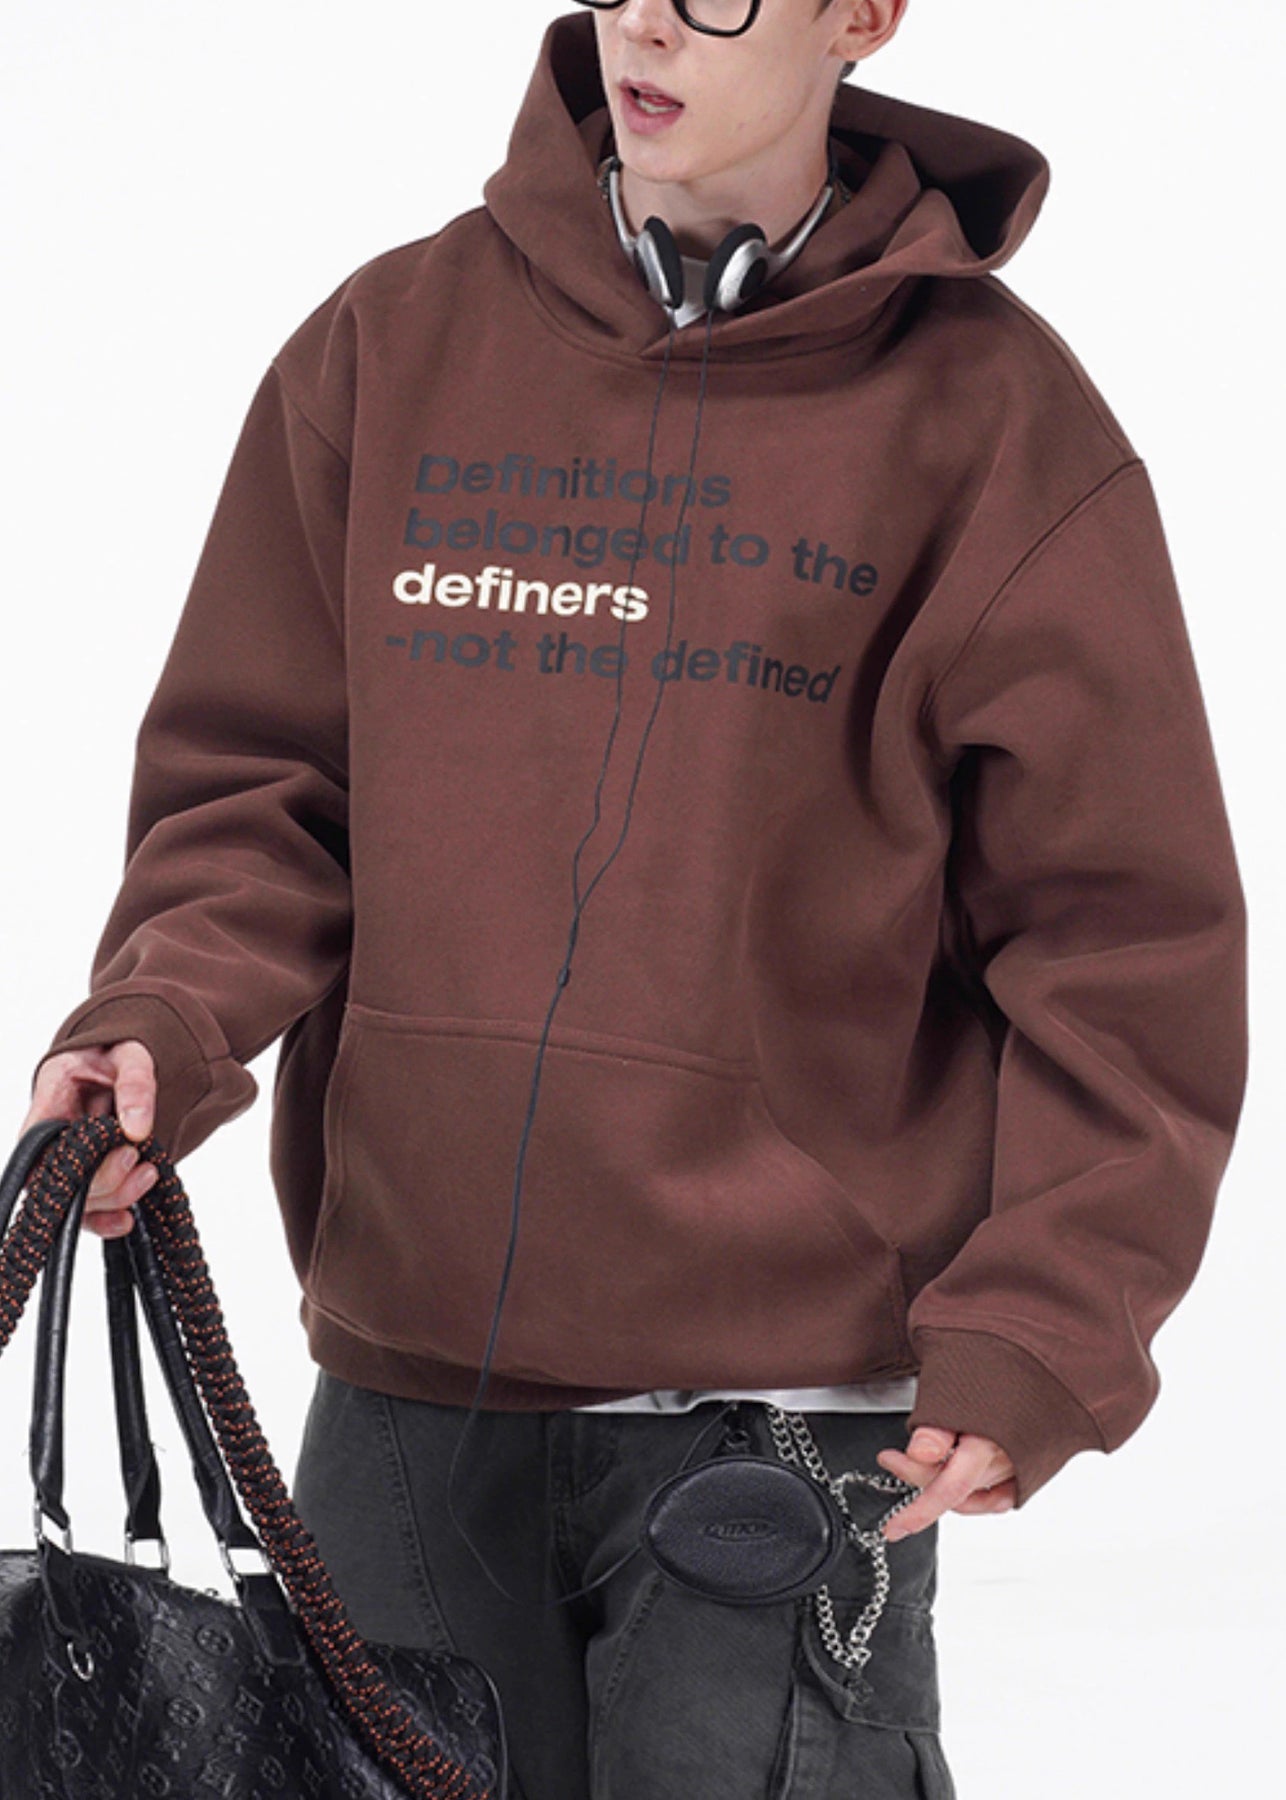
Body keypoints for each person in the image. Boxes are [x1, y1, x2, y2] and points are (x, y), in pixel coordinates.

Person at [21, 2, 1248, 1795]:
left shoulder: (992, 421)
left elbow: (1118, 935)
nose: (650, 25)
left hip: (778, 1425)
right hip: (409, 1392)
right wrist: (166, 1021)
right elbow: (262, 787)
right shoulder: (389, 343)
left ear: (858, 16)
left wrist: (1047, 1323)